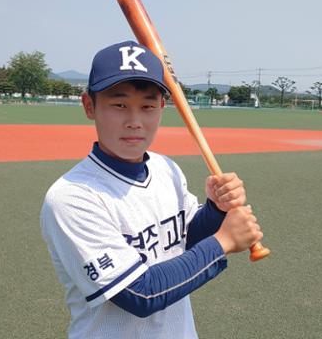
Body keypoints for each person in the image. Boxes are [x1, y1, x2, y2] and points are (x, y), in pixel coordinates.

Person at [40, 40, 263, 339]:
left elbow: (183, 240)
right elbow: (139, 294)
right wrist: (223, 242)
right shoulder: (72, 197)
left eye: (147, 106)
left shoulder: (165, 168)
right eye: (119, 105)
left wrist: (215, 211)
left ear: (161, 107)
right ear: (89, 106)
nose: (135, 122)